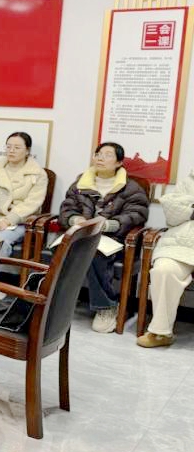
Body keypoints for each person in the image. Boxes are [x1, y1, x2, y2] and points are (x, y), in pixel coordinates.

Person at [58, 142, 149, 333]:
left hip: (114, 238)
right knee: (61, 249)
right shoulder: (80, 184)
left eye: (107, 155)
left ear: (119, 163)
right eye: (98, 154)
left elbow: (137, 215)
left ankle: (106, 307)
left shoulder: (131, 188)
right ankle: (57, 301)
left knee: (94, 253)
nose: (100, 158)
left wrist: (108, 224)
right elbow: (66, 209)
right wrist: (75, 219)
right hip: (82, 235)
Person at [140, 167, 194, 348]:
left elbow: (181, 205)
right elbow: (171, 212)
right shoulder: (189, 181)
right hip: (182, 243)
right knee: (164, 270)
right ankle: (160, 332)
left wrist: (189, 206)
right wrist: (190, 211)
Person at [0, 132, 48, 283]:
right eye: (8, 147)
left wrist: (8, 220)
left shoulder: (38, 174)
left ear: (27, 151)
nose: (11, 151)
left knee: (0, 240)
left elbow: (32, 203)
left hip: (20, 222)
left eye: (17, 147)